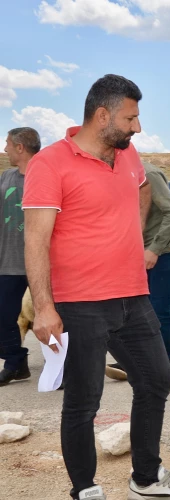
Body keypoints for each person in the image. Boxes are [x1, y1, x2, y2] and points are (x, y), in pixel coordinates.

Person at [23, 74, 170, 500]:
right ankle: (85, 489)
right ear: (102, 115)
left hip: (133, 294)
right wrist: (44, 308)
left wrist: (132, 234)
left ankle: (146, 477)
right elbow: (35, 240)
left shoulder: (128, 154)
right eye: (130, 118)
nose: (137, 127)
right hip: (80, 301)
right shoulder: (50, 163)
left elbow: (142, 187)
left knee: (156, 380)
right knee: (84, 401)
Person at [106, 161, 170, 381]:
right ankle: (136, 359)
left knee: (158, 306)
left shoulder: (148, 173)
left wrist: (154, 249)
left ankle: (166, 362)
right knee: (133, 309)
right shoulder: (111, 173)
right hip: (136, 250)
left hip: (164, 249)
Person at [0, 127, 40, 387]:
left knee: (56, 317)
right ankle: (16, 363)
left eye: (7, 144)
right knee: (4, 317)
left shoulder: (47, 175)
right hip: (8, 262)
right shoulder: (6, 177)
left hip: (43, 264)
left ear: (20, 147)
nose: (4, 149)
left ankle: (65, 368)